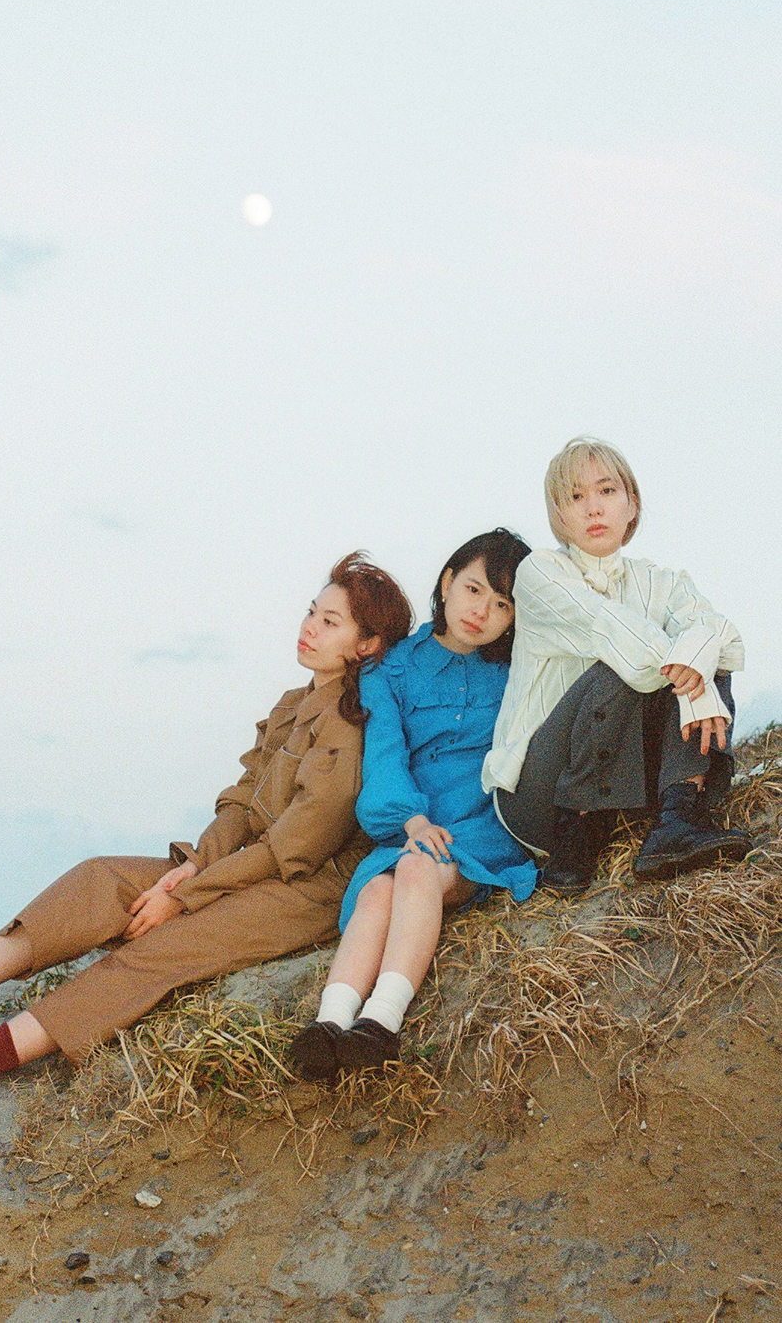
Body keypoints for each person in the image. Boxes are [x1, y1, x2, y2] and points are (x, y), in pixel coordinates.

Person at [0, 554, 412, 1112]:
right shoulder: (295, 703)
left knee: (160, 949)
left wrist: (183, 897)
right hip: (246, 865)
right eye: (312, 611)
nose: (309, 627)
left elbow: (294, 849)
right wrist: (192, 867)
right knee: (102, 879)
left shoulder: (350, 721)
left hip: (306, 889)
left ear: (367, 645)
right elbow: (242, 803)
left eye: (330, 622)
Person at [288, 530, 538, 1081]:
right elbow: (384, 754)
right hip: (411, 825)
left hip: (483, 825)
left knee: (420, 867)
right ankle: (330, 1023)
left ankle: (382, 1020)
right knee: (380, 888)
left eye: (503, 604)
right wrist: (411, 819)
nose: (482, 611)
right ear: (447, 583)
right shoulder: (389, 670)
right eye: (473, 589)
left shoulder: (519, 672)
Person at [484, 436, 752, 896]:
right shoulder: (539, 572)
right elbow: (611, 631)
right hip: (540, 795)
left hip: (629, 791)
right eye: (575, 496)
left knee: (704, 656)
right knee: (628, 665)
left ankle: (678, 817)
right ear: (558, 515)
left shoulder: (663, 581)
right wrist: (695, 670)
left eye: (607, 491)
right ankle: (578, 829)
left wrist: (700, 659)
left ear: (632, 504)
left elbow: (721, 635)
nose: (593, 508)